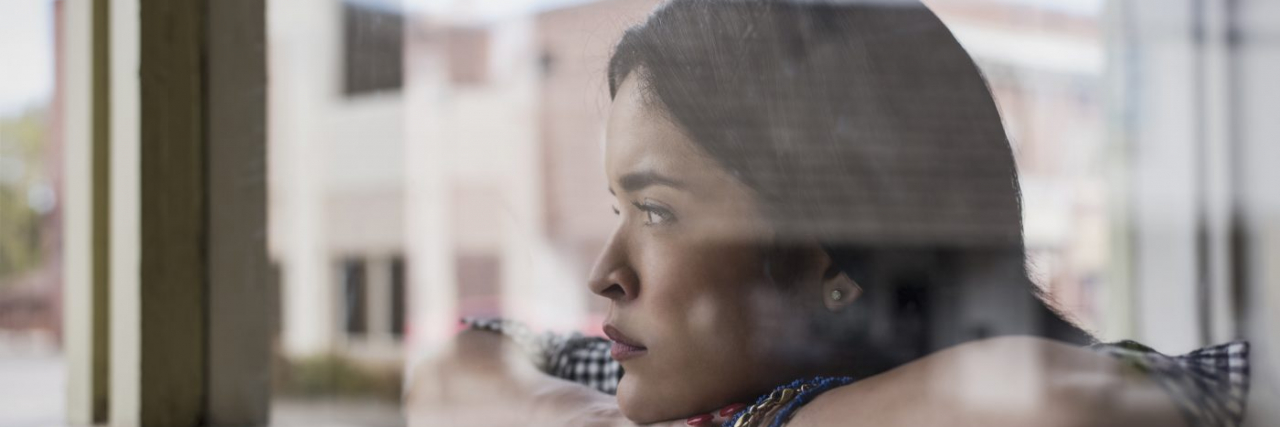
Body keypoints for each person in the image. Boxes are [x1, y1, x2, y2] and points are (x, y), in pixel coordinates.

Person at [406, 1, 1251, 426]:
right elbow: (460, 361)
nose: (605, 270)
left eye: (658, 211)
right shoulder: (702, 380)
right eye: (617, 206)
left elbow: (1079, 409)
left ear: (835, 260)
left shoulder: (1191, 385)